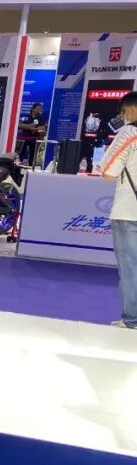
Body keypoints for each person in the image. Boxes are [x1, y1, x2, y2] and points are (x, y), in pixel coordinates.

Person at [101, 91, 137, 330]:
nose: (123, 117)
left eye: (124, 112)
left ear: (131, 110)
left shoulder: (129, 133)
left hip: (129, 211)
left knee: (131, 267)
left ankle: (132, 319)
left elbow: (108, 171)